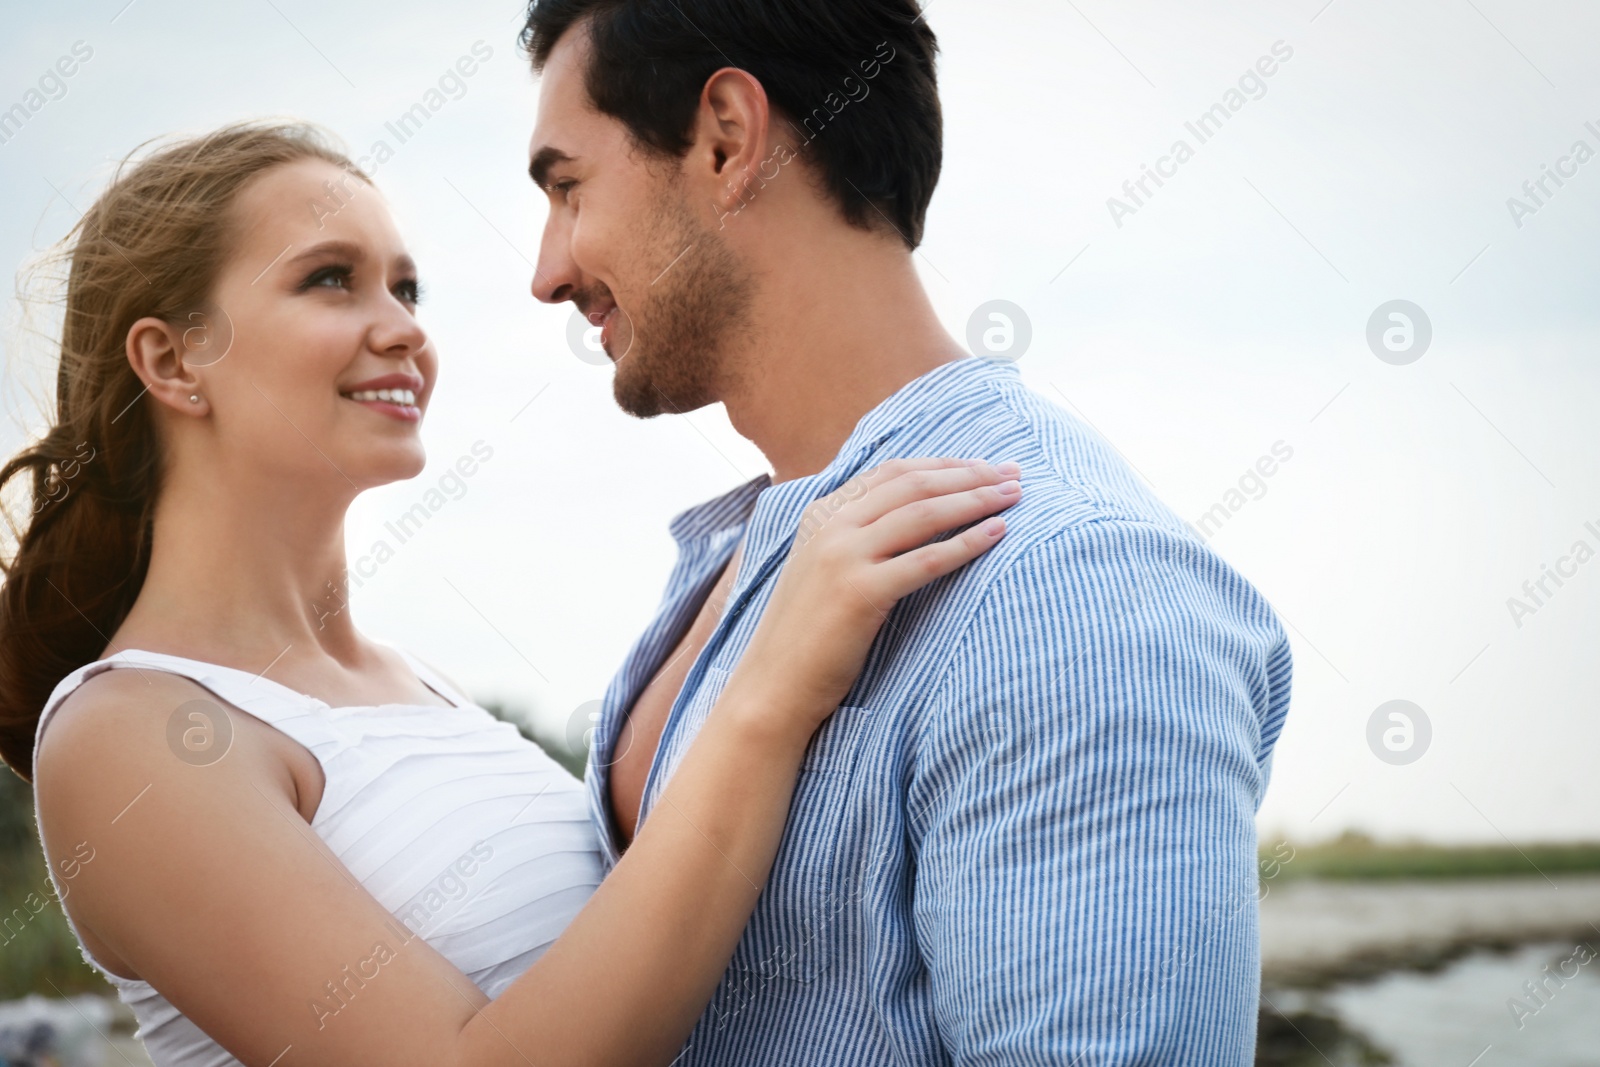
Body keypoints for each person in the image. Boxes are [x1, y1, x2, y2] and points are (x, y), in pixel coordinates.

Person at [0, 121, 1022, 1066]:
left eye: (408, 288)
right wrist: (772, 686)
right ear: (172, 360)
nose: (402, 328)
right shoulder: (124, 734)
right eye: (330, 280)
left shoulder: (416, 685)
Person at [520, 0, 1295, 1061]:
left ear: (726, 140)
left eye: (568, 190)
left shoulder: (1063, 588)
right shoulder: (738, 555)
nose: (546, 271)